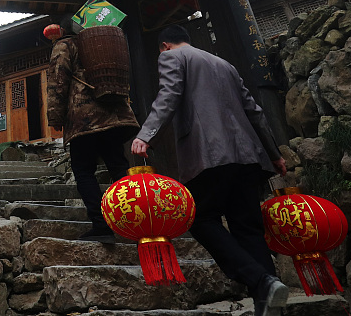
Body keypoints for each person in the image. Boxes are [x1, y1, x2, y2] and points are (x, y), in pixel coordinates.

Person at [130, 24, 289, 316]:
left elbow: (168, 95)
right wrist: (274, 153)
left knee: (199, 218)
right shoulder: (224, 64)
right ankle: (268, 301)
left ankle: (260, 281)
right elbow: (254, 111)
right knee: (248, 229)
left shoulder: (171, 57)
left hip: (209, 152)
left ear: (164, 45)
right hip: (247, 154)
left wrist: (146, 135)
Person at [47, 25, 139, 242]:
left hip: (84, 117)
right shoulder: (104, 43)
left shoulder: (66, 45)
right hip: (114, 114)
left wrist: (55, 117)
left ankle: (101, 225)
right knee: (118, 167)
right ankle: (137, 221)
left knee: (83, 171)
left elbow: (58, 81)